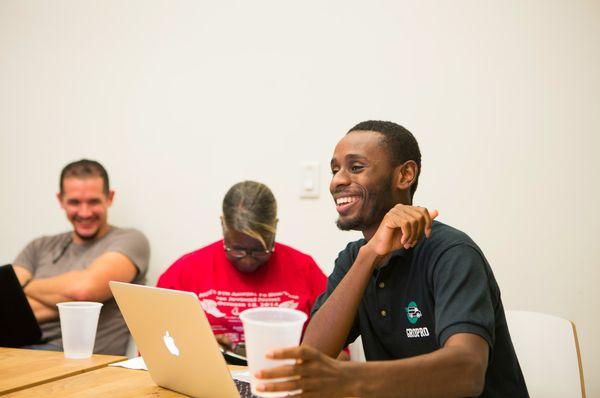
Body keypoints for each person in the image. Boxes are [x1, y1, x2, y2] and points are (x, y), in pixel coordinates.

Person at [255, 121, 529, 397]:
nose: (337, 180)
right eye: (335, 169)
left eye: (356, 167)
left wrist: (349, 379)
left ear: (405, 174)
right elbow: (313, 356)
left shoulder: (452, 252)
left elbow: (467, 372)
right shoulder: (355, 258)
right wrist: (370, 254)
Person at [157, 181, 335, 357]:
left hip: (283, 380)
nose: (248, 262)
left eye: (260, 250)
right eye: (237, 250)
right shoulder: (184, 272)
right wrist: (197, 348)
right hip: (205, 381)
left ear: (275, 227)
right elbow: (156, 347)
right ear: (223, 225)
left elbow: (338, 354)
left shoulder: (305, 270)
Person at [13, 159, 150, 355]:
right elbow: (8, 309)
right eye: (75, 202)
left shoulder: (130, 240)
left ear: (109, 198)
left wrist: (24, 285)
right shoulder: (39, 246)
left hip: (78, 364)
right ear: (61, 200)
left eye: (93, 201)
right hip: (17, 350)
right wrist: (73, 302)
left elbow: (83, 290)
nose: (84, 212)